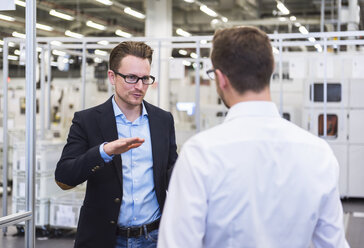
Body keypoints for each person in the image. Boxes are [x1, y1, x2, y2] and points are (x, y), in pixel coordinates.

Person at [157, 27, 349, 248]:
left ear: (221, 78)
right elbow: (333, 244)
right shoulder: (318, 153)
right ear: (271, 69)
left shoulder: (201, 153)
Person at [55, 41, 178, 248]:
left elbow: (172, 172)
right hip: (105, 238)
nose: (139, 86)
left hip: (154, 237)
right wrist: (104, 151)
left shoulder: (162, 120)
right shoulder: (87, 121)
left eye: (145, 78)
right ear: (112, 77)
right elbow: (64, 176)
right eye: (131, 78)